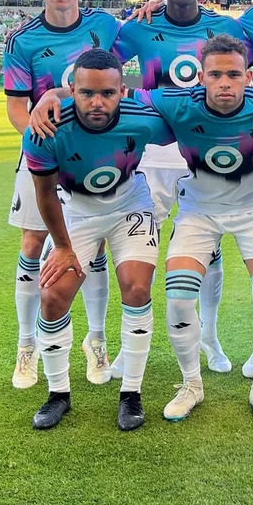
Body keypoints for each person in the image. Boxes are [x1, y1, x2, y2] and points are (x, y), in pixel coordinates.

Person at [37, 0, 250, 374]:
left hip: (204, 148)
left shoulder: (226, 28)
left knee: (209, 247)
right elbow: (97, 73)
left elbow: (243, 76)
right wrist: (53, 94)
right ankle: (117, 345)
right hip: (151, 150)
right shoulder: (139, 27)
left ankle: (210, 339)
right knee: (128, 252)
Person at [132, 34, 253, 424]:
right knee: (179, 297)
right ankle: (191, 385)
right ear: (200, 77)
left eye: (233, 74)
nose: (224, 83)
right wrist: (55, 95)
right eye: (215, 75)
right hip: (198, 211)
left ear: (249, 76)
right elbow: (119, 97)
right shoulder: (176, 102)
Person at [22, 49, 175, 432]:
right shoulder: (46, 128)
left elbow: (191, 111)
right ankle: (58, 393)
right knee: (52, 296)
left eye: (107, 93)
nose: (97, 103)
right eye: (87, 93)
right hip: (76, 212)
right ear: (72, 90)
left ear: (122, 91)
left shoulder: (143, 117)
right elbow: (45, 194)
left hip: (130, 205)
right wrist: (63, 247)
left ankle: (131, 393)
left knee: (137, 289)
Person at [2, 0, 120, 391]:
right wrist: (39, 139)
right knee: (33, 242)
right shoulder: (22, 41)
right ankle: (26, 344)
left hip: (95, 155)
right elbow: (17, 108)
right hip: (46, 156)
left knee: (95, 244)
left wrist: (150, 5)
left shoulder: (104, 26)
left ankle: (97, 339)